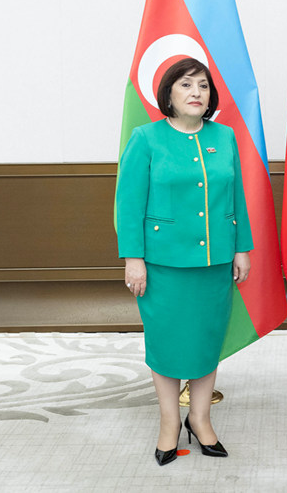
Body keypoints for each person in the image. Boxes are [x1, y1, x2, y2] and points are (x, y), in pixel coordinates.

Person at [115, 57, 253, 466]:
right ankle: (169, 422)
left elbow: (237, 197)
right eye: (186, 85)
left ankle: (201, 418)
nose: (196, 92)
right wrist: (133, 259)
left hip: (214, 260)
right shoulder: (146, 138)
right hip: (163, 264)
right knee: (166, 342)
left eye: (203, 86)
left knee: (207, 339)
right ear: (169, 94)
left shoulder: (224, 136)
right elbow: (128, 204)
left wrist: (242, 248)